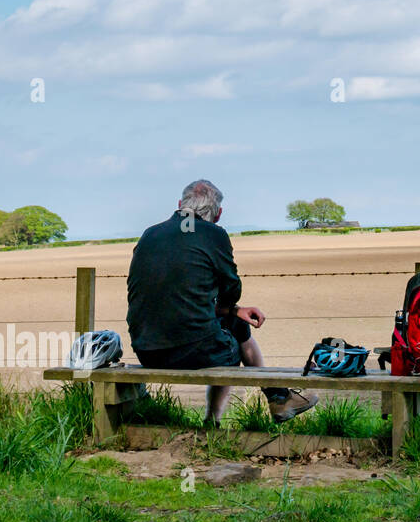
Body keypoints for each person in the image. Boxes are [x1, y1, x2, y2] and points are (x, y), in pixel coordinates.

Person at [126, 180, 317, 424]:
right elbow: (231, 288)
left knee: (234, 323)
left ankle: (278, 396)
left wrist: (234, 311)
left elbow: (171, 294)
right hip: (192, 352)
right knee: (233, 340)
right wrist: (231, 306)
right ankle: (232, 414)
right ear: (218, 214)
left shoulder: (150, 234)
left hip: (147, 350)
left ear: (179, 206)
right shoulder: (214, 234)